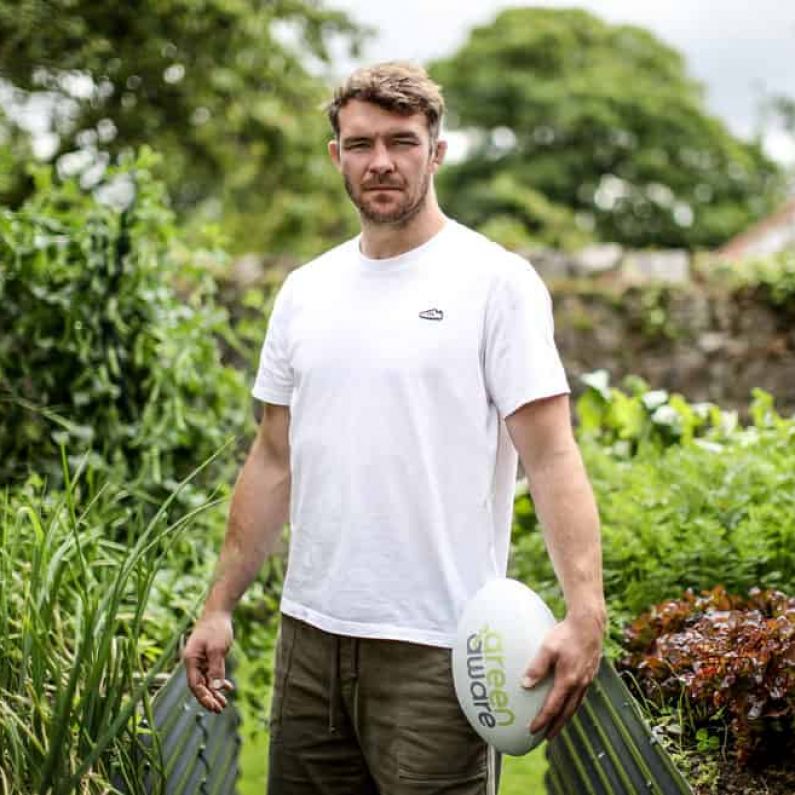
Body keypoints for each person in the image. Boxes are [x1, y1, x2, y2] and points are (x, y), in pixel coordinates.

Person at [183, 62, 606, 794]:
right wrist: (219, 604)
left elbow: (551, 454)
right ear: (335, 155)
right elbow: (273, 457)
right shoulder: (304, 291)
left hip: (441, 648)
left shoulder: (494, 284)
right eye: (359, 143)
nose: (379, 161)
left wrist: (585, 610)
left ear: (436, 151)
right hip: (308, 639)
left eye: (401, 142)